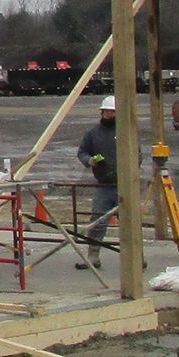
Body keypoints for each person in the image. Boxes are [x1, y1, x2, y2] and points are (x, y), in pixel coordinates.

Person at [76, 95, 121, 247]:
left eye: (113, 112)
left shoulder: (125, 132)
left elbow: (137, 155)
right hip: (104, 185)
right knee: (97, 221)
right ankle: (93, 254)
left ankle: (136, 258)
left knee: (130, 223)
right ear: (102, 112)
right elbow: (82, 152)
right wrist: (89, 160)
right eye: (108, 112)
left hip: (125, 185)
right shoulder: (93, 134)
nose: (110, 115)